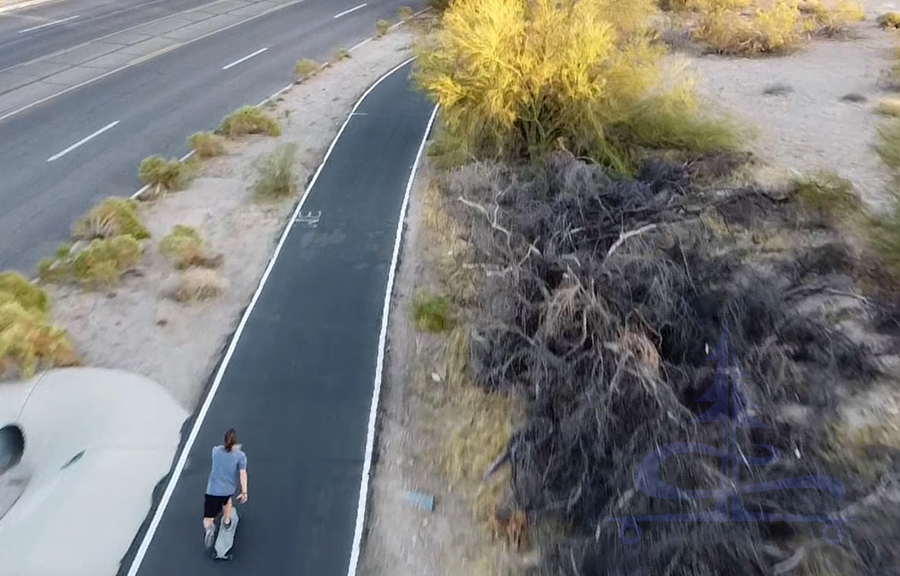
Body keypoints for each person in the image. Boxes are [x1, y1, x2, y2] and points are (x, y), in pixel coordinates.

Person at [203, 429, 248, 548]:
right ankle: (227, 522)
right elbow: (242, 474)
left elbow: (225, 449)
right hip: (227, 490)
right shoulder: (240, 456)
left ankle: (209, 528)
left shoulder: (216, 451)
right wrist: (244, 492)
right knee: (227, 502)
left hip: (212, 489)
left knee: (208, 517)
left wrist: (232, 447)